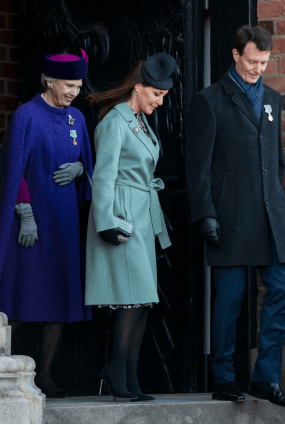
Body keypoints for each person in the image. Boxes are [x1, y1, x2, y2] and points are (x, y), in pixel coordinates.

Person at [185, 25, 285, 408]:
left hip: (269, 217)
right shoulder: (210, 100)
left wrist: (281, 206)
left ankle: (266, 379)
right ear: (236, 55)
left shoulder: (273, 98)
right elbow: (197, 166)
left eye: (264, 62)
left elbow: (276, 160)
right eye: (252, 61)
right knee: (229, 302)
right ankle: (224, 378)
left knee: (283, 288)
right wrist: (205, 214)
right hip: (229, 218)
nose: (258, 68)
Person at [0, 51, 93, 398]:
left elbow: (87, 163)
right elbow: (13, 169)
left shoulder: (77, 119)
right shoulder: (26, 115)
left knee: (58, 298)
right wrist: (24, 213)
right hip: (33, 222)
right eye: (69, 85)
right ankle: (7, 368)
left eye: (78, 86)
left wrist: (80, 169)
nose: (74, 92)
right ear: (49, 80)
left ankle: (47, 373)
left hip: (64, 221)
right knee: (22, 295)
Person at [85, 52, 175, 402]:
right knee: (129, 301)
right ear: (138, 87)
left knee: (142, 301)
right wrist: (105, 221)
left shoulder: (139, 121)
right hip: (122, 215)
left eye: (163, 96)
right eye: (156, 94)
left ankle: (128, 378)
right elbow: (103, 176)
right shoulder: (115, 121)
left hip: (141, 216)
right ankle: (116, 374)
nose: (160, 101)